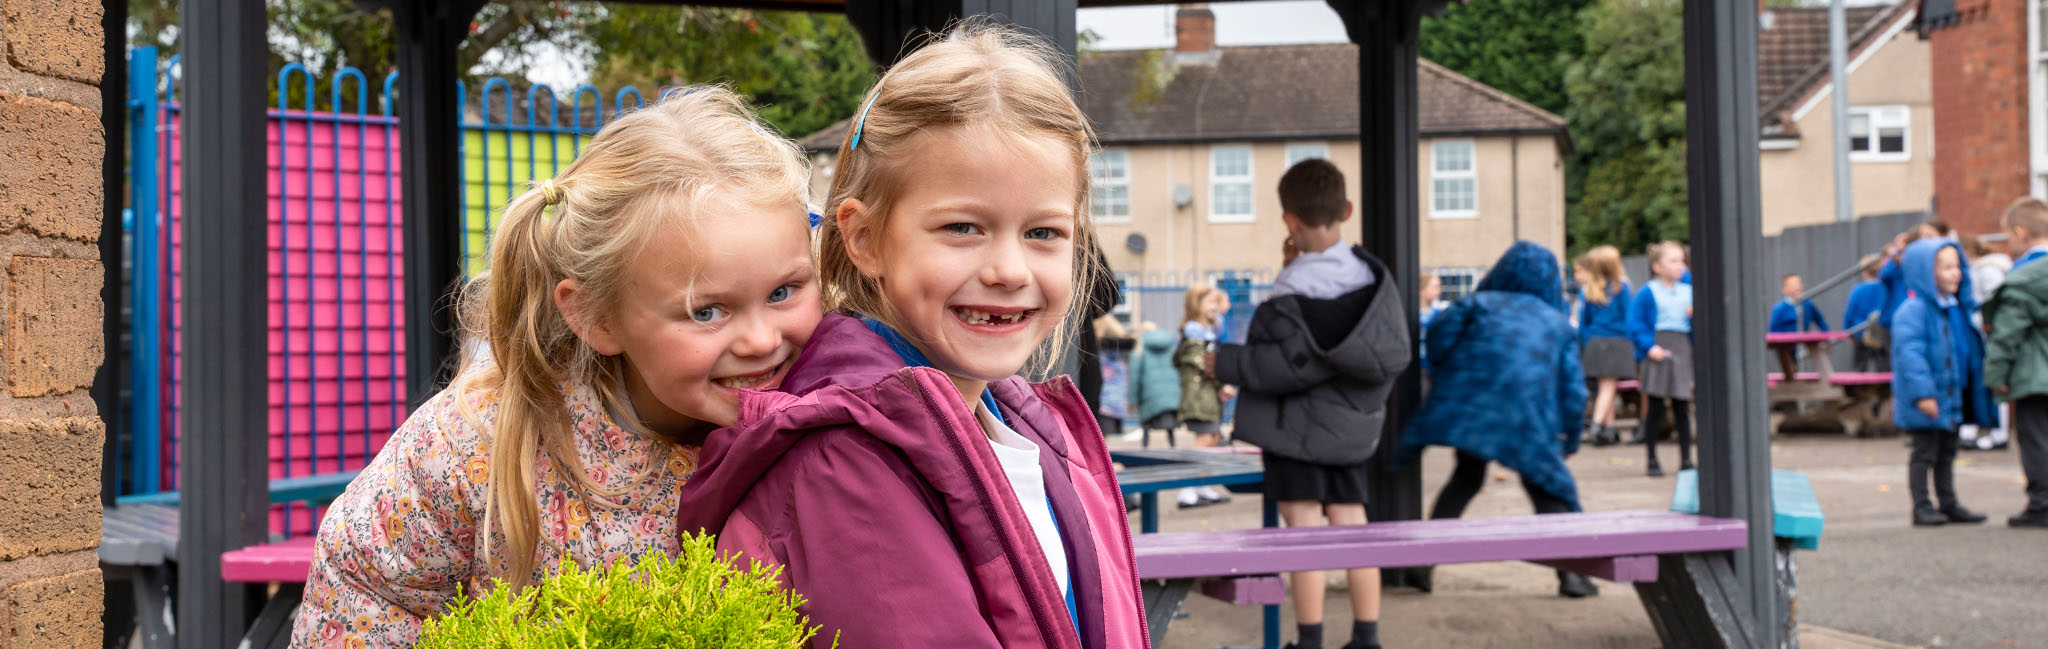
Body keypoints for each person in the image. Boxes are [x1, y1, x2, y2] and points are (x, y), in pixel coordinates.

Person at [673, 25, 1148, 648]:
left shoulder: (1016, 419)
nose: (1008, 270)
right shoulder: (839, 463)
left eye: (1044, 233)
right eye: (962, 227)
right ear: (865, 239)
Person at [290, 88, 820, 646]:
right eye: (706, 311)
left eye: (784, 291)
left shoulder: (844, 418)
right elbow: (366, 591)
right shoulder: (475, 447)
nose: (763, 341)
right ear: (596, 316)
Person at [1212, 158, 1409, 649]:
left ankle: (1311, 638)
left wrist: (1222, 363)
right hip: (1350, 431)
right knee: (1353, 525)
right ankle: (1367, 635)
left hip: (1296, 433)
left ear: (1289, 222)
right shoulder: (1373, 281)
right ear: (1346, 208)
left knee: (1303, 530)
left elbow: (1282, 365)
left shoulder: (1291, 289)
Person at [1401, 241, 1595, 598]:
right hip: (1529, 416)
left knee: (1465, 478)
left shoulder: (1475, 304)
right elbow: (1574, 390)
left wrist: (1453, 368)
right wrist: (1569, 438)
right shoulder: (1557, 323)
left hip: (1474, 408)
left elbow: (1439, 340)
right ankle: (1570, 574)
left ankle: (1423, 564)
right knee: (1546, 489)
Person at [1892, 237, 1995, 526]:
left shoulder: (1956, 308)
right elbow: (1910, 356)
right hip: (1929, 397)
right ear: (1925, 272)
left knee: (1948, 451)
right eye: (1946, 267)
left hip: (1953, 393)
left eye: (1957, 266)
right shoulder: (1914, 311)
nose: (1956, 273)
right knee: (1924, 452)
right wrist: (1924, 394)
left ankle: (1948, 503)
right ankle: (1922, 506)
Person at [1984, 197, 2048, 528]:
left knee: (2036, 439)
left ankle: (2041, 504)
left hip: (2034, 375)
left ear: (2020, 233)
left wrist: (1996, 375)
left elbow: (2007, 335)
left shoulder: (2023, 278)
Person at [1629, 241, 1694, 477]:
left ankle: (1686, 459)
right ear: (1657, 266)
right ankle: (1652, 459)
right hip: (1657, 347)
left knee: (1682, 406)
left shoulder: (1689, 292)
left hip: (1681, 346)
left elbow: (1697, 327)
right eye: (1674, 261)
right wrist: (1648, 346)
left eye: (1682, 261)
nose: (1680, 266)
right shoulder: (1648, 292)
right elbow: (1636, 324)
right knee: (1654, 407)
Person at [1174, 285, 1236, 507]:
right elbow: (1204, 363)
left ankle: (1201, 485)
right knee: (1203, 440)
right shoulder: (1194, 330)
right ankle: (1187, 488)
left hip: (1208, 393)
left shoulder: (1208, 328)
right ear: (1196, 304)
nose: (1214, 307)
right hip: (1200, 395)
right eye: (1209, 302)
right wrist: (1223, 382)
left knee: (1212, 438)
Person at [1573, 245, 1633, 447]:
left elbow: (1584, 322)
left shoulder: (1588, 289)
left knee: (1604, 387)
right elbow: (1629, 316)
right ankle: (1597, 427)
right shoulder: (1621, 288)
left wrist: (1585, 343)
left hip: (1594, 343)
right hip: (1616, 342)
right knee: (1608, 387)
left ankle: (1610, 430)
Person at [1129, 321, 1184, 448]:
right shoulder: (1170, 344)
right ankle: (1172, 447)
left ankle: (1145, 449)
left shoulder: (1139, 346)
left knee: (1147, 428)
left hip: (1149, 394)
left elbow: (1134, 375)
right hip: (1171, 392)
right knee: (1170, 427)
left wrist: (1133, 399)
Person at [1843, 254, 1889, 372]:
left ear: (1865, 272)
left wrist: (1848, 331)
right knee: (1883, 365)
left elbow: (1850, 312)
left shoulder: (1858, 289)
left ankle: (1859, 389)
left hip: (1860, 332)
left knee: (1859, 366)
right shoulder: (1885, 288)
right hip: (1880, 332)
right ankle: (1884, 388)